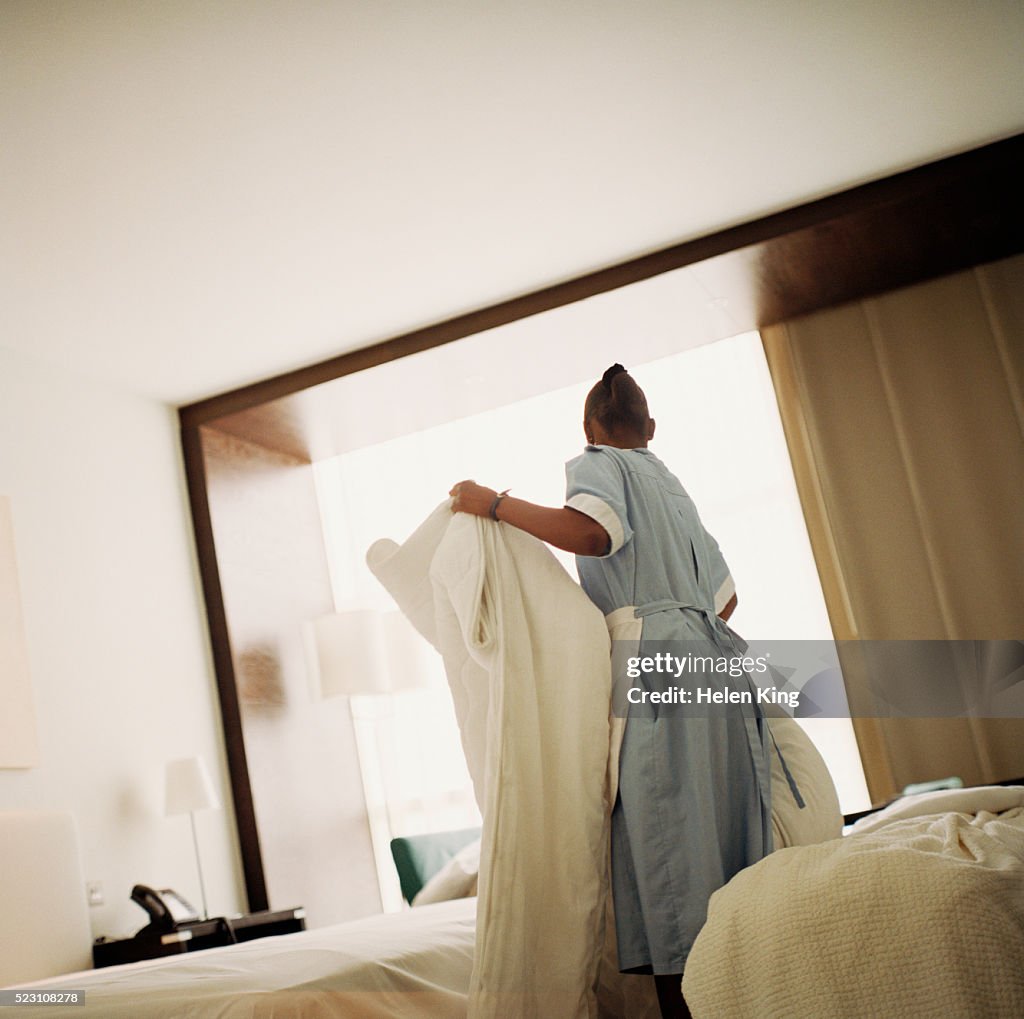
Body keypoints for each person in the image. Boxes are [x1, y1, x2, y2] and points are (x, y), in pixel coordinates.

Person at [449, 363, 773, 1019]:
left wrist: (495, 503)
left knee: (670, 845)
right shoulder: (673, 485)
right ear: (650, 428)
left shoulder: (596, 462)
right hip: (713, 663)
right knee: (720, 844)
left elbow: (594, 534)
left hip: (654, 660)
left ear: (591, 429)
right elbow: (726, 596)